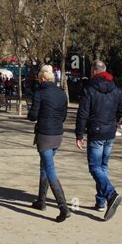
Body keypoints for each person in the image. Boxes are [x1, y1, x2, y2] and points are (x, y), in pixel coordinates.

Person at [75, 60, 122, 220]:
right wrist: (114, 121)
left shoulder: (89, 89)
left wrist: (79, 134)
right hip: (110, 132)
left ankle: (111, 194)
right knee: (103, 167)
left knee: (94, 167)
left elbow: (83, 113)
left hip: (96, 131)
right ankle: (101, 202)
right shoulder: (116, 89)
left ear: (94, 71)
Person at [27, 64, 70, 223]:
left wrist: (29, 113)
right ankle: (41, 201)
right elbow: (64, 116)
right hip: (58, 134)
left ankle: (63, 208)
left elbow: (33, 116)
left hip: (45, 135)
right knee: (44, 166)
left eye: (39, 78)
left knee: (50, 169)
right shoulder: (61, 93)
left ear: (43, 78)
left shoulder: (40, 93)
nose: (38, 80)